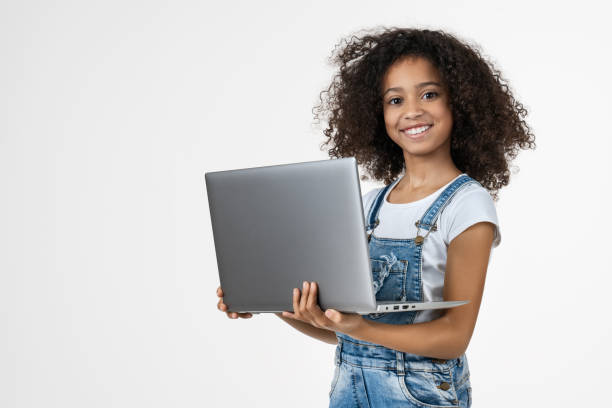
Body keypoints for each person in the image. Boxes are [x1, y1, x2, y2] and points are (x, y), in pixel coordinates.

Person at [216, 27, 534, 407]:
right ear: (378, 113)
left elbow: (454, 338)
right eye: (395, 99)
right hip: (348, 390)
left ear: (460, 104)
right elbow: (345, 333)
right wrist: (267, 302)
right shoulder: (369, 206)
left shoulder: (467, 206)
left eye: (429, 94)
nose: (412, 110)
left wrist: (360, 326)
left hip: (419, 394)